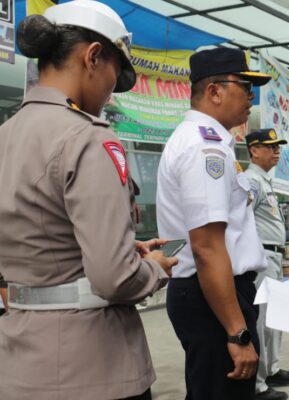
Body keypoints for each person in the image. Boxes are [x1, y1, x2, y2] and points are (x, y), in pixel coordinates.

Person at [0, 1, 177, 399]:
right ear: (93, 56)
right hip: (95, 369)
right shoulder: (89, 138)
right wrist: (154, 268)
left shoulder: (5, 135)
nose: (112, 92)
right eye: (116, 73)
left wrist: (119, 246)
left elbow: (36, 236)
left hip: (18, 365)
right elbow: (116, 278)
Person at [156, 47, 271, 400]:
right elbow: (206, 247)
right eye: (244, 86)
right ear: (215, 92)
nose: (251, 98)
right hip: (214, 298)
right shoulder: (205, 148)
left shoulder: (204, 141)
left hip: (209, 294)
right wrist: (237, 334)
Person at [244, 128, 289, 400]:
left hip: (275, 256)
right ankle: (258, 384)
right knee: (262, 321)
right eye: (270, 146)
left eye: (278, 146)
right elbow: (241, 218)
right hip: (262, 258)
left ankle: (272, 368)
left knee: (274, 317)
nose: (277, 150)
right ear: (254, 150)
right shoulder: (251, 181)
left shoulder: (264, 181)